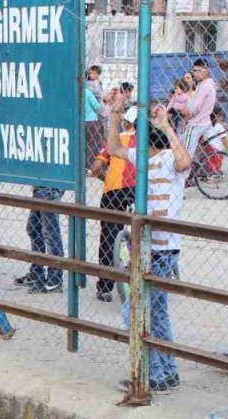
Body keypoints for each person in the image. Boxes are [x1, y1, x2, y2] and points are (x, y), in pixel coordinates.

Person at [109, 99, 191, 393]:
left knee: (135, 311)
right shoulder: (143, 160)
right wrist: (116, 114)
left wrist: (167, 126)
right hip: (149, 249)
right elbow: (114, 148)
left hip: (162, 250)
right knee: (157, 313)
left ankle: (153, 373)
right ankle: (166, 371)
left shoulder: (168, 158)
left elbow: (185, 162)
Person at [89, 107, 137, 303]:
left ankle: (104, 287)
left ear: (125, 122)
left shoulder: (115, 140)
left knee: (108, 236)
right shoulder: (148, 141)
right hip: (137, 190)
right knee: (142, 233)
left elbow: (95, 168)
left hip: (113, 192)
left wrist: (108, 180)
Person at [15, 187, 65, 294]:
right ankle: (36, 273)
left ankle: (55, 279)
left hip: (50, 189)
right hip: (40, 187)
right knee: (33, 229)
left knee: (50, 233)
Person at [182, 59, 216, 157]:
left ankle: (185, 171)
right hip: (206, 122)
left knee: (186, 155)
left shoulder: (204, 86)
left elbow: (194, 108)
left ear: (204, 70)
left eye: (196, 70)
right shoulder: (209, 84)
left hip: (195, 124)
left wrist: (187, 108)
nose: (195, 73)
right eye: (194, 70)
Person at [84, 75, 104, 171]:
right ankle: (91, 167)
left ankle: (82, 166)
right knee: (93, 145)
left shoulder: (73, 91)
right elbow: (97, 107)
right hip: (91, 121)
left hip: (79, 122)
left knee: (81, 144)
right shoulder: (87, 92)